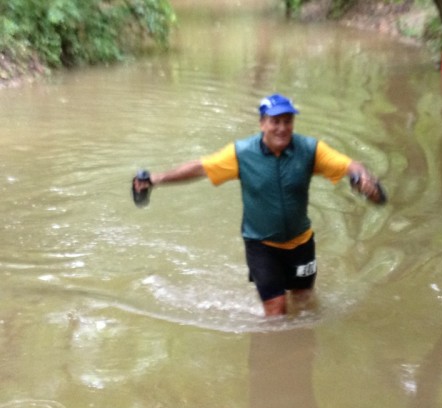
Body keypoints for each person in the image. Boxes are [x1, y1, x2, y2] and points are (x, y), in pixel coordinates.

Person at [132, 93, 386, 317]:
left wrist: (363, 178)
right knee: (276, 312)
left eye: (287, 121)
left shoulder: (309, 150)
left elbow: (349, 165)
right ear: (262, 123)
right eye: (275, 121)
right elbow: (200, 168)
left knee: (305, 304)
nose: (282, 128)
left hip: (301, 244)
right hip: (261, 246)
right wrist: (156, 179)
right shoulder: (242, 154)